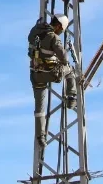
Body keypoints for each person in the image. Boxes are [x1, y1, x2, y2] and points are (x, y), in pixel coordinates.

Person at [28, 14, 79, 155]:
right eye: (61, 30)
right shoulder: (54, 38)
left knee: (39, 109)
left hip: (35, 74)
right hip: (49, 73)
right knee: (70, 71)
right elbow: (64, 58)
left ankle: (41, 136)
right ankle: (71, 98)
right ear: (58, 26)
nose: (60, 32)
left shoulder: (34, 31)